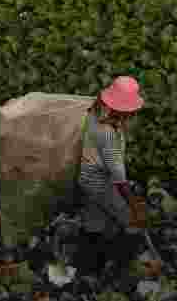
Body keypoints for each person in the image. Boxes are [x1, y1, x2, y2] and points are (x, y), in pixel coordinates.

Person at [74, 75, 147, 275]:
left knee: (94, 223)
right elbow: (119, 178)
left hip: (86, 179)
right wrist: (135, 207)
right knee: (131, 222)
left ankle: (88, 270)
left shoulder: (94, 114)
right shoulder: (109, 134)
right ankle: (122, 269)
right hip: (101, 184)